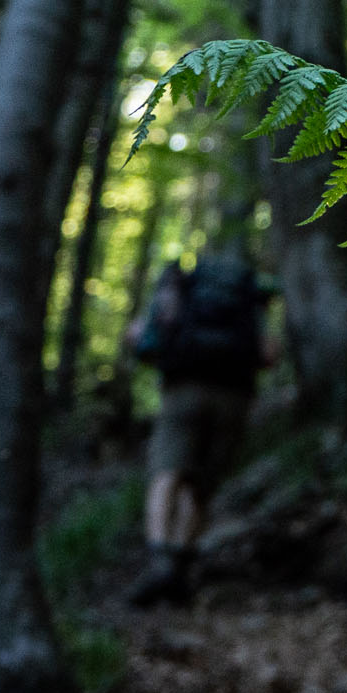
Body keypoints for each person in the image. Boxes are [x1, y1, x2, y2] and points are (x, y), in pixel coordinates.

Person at [126, 250, 270, 605]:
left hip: (181, 390)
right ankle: (179, 563)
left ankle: (160, 559)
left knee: (167, 472)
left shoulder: (182, 288)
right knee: (200, 483)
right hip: (234, 397)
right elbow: (269, 353)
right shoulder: (248, 299)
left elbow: (139, 336)